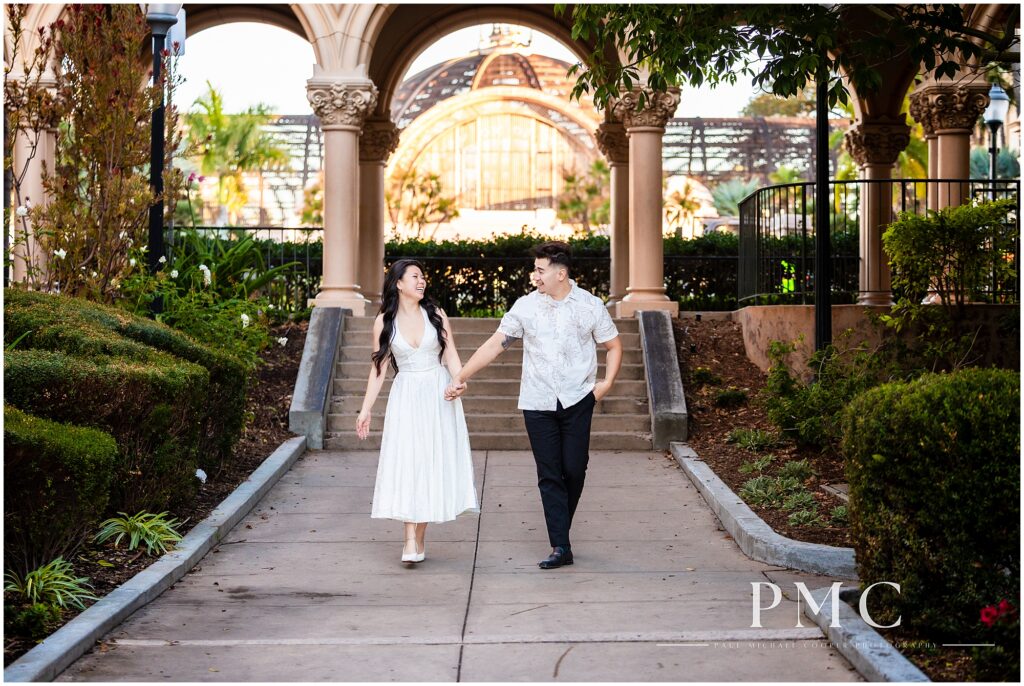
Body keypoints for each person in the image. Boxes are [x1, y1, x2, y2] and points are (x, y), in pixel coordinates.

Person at [445, 242, 623, 569]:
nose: (535, 276)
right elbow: (496, 344)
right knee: (549, 473)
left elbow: (613, 346)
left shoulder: (590, 305)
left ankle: (560, 529)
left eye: (540, 270)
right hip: (537, 402)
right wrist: (461, 375)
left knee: (575, 468)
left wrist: (607, 383)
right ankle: (560, 545)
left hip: (578, 398)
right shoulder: (526, 307)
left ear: (561, 274)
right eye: (535, 270)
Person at [357, 259, 479, 564]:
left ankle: (418, 536)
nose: (421, 281)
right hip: (406, 396)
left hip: (438, 394)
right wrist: (365, 409)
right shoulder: (384, 321)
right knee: (409, 462)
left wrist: (459, 381)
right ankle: (409, 537)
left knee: (430, 462)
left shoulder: (435, 314)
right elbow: (378, 370)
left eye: (423, 277)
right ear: (399, 283)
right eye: (415, 276)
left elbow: (451, 354)